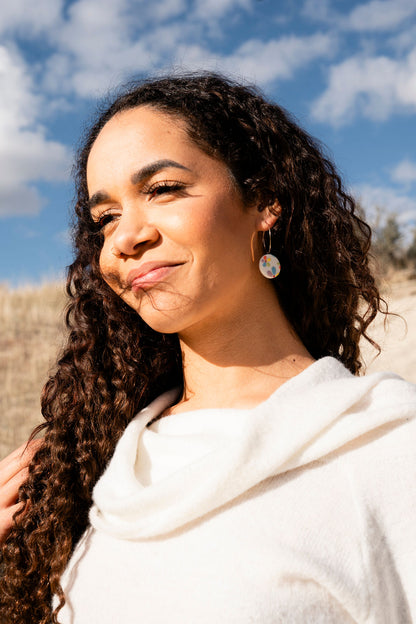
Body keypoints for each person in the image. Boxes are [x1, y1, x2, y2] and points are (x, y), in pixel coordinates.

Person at [0, 72, 415, 624]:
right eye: (106, 218)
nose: (125, 237)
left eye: (163, 190)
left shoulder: (388, 450)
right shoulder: (82, 470)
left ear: (265, 200)